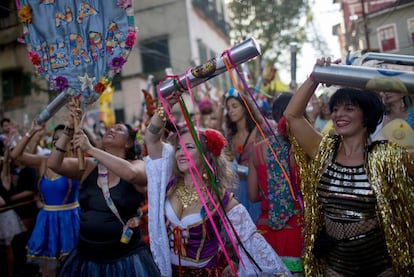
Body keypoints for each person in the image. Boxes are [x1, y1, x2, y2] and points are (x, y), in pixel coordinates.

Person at [284, 57, 414, 276]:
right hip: (335, 266)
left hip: (379, 267)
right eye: (335, 109)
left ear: (366, 115)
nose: (338, 114)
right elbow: (292, 115)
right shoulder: (324, 150)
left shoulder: (388, 157)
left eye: (349, 108)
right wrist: (316, 75)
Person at [144, 97, 291, 277]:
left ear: (206, 155)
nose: (181, 153)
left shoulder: (221, 199)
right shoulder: (168, 184)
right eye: (179, 148)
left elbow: (250, 241)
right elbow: (151, 138)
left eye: (189, 147)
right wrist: (165, 107)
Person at [47, 100, 159, 276]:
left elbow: (130, 174)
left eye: (119, 129)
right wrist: (68, 129)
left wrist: (90, 148)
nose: (111, 129)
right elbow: (53, 163)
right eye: (110, 128)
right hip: (87, 256)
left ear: (129, 143)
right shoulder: (91, 166)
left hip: (125, 259)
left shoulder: (139, 163)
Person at [10, 121, 80, 277]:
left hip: (70, 220)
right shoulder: (44, 161)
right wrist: (31, 132)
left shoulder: (77, 163)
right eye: (55, 138)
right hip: (46, 220)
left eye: (63, 138)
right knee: (48, 270)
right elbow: (15, 155)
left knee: (73, 268)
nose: (57, 141)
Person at [247, 92, 304, 275]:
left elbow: (253, 196)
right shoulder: (305, 148)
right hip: (297, 230)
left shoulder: (257, 150)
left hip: (265, 230)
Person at [222, 87, 262, 223]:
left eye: (234, 106)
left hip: (256, 187)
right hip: (237, 189)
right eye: (228, 108)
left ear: (244, 107)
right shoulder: (229, 137)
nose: (231, 110)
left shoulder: (259, 131)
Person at [0, 138, 27, 277]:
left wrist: (6, 150)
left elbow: (6, 162)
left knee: (8, 248)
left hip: (4, 217)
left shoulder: (4, 178)